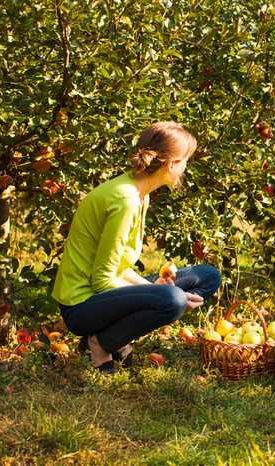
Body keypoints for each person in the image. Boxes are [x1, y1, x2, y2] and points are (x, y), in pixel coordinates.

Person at [51, 122, 221, 374]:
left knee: (208, 276)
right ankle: (99, 343)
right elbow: (101, 280)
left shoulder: (140, 192)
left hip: (102, 291)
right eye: (186, 160)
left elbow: (118, 265)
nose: (187, 166)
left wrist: (151, 288)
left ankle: (111, 336)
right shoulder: (126, 201)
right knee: (173, 300)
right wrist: (155, 292)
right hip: (82, 306)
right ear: (171, 165)